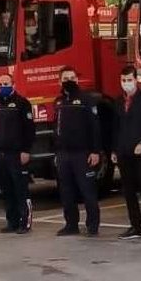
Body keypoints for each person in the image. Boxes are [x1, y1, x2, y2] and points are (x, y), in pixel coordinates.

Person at [53, 67, 103, 237]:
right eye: (65, 78)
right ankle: (71, 224)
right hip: (63, 154)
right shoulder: (58, 101)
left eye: (72, 77)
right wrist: (56, 152)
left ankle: (93, 225)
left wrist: (95, 151)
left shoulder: (86, 99)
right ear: (59, 81)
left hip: (82, 153)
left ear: (77, 79)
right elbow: (56, 128)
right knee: (66, 192)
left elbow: (95, 127)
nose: (69, 80)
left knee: (87, 191)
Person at [112, 65, 141, 240]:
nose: (126, 83)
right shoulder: (118, 101)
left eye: (129, 80)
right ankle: (135, 226)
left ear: (136, 80)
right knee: (129, 190)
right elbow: (115, 128)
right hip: (123, 151)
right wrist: (114, 149)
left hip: (140, 151)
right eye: (123, 80)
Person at [0, 73, 35, 235]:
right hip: (0, 153)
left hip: (17, 154)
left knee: (21, 189)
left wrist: (26, 150)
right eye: (1, 84)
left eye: (6, 83)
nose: (3, 87)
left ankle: (25, 222)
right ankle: (12, 222)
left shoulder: (22, 103)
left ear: (13, 84)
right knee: (6, 190)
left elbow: (29, 130)